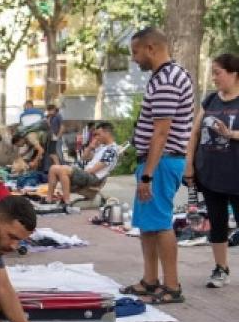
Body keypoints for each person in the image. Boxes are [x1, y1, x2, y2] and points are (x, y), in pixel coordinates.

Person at [119, 27, 194, 305]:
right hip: (158, 161)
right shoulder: (165, 76)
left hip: (160, 162)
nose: (134, 59)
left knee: (160, 223)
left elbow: (161, 132)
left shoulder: (166, 80)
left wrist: (147, 175)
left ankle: (171, 286)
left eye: (136, 52)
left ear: (151, 48)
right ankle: (150, 280)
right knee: (148, 225)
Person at [185, 52, 239, 289]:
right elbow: (194, 133)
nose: (214, 78)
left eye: (218, 72)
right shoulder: (210, 101)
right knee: (217, 223)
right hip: (209, 173)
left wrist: (232, 135)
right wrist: (189, 164)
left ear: (234, 73)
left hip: (236, 175)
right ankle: (221, 268)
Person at [46, 122, 118, 205]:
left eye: (99, 134)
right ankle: (49, 199)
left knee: (63, 170)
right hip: (87, 174)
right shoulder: (103, 147)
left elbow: (98, 167)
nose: (97, 137)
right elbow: (84, 158)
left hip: (93, 177)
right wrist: (90, 147)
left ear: (107, 133)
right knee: (53, 168)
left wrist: (79, 171)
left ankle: (67, 202)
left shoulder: (112, 149)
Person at [45, 103, 64, 168]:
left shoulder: (58, 116)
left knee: (57, 153)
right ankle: (56, 167)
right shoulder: (50, 117)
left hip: (57, 138)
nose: (49, 112)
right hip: (52, 138)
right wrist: (48, 122)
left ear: (54, 109)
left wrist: (58, 137)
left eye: (50, 110)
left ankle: (60, 167)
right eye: (48, 110)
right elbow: (50, 128)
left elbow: (62, 127)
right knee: (52, 153)